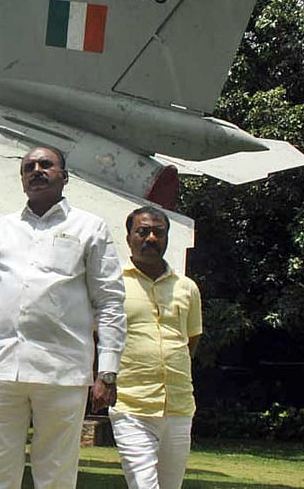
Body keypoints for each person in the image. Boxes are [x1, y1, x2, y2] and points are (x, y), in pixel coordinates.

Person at [0, 145, 127, 489]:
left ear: (64, 177)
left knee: (55, 471)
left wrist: (108, 370)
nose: (37, 170)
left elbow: (110, 301)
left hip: (63, 371)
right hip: (2, 367)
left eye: (46, 165)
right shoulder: (1, 229)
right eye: (29, 167)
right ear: (22, 179)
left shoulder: (90, 227)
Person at [110, 206, 203, 489]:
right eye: (142, 231)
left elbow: (191, 340)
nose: (150, 238)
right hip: (131, 405)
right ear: (129, 238)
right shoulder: (112, 285)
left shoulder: (187, 287)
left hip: (178, 407)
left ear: (166, 239)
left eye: (158, 233)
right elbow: (98, 338)